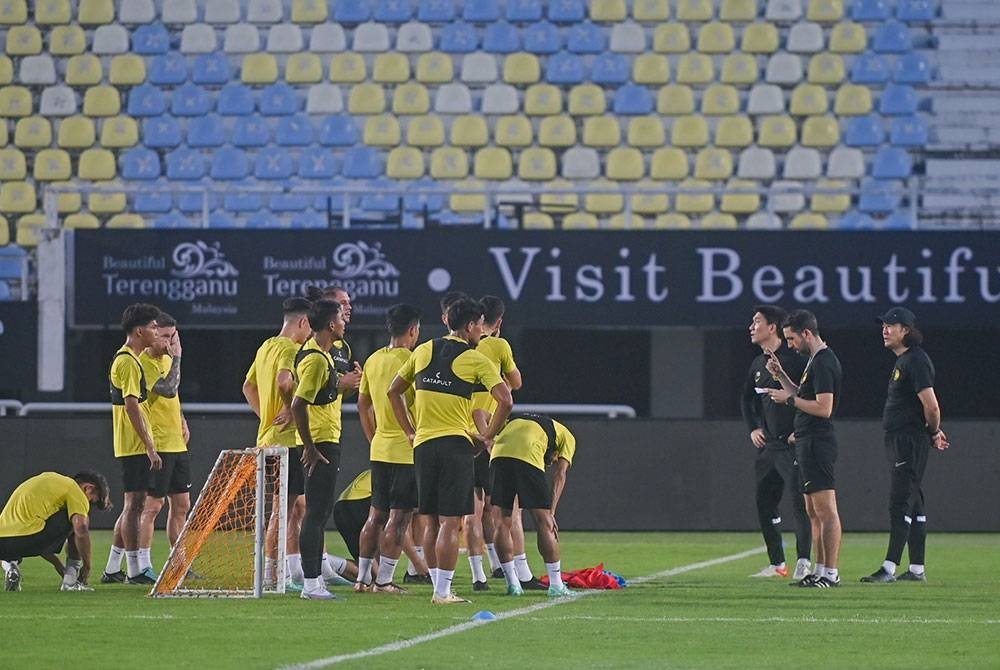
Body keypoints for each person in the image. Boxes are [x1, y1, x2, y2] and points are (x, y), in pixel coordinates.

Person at [388, 297, 513, 604]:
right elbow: (506, 399)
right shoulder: (475, 359)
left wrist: (408, 429)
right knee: (449, 522)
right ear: (470, 326)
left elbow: (394, 391)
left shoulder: (424, 349)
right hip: (455, 446)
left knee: (428, 521)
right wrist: (487, 435)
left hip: (423, 446)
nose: (481, 333)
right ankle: (443, 592)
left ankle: (437, 588)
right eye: (479, 327)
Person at [861, 307, 950, 584]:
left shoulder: (916, 361)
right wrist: (931, 432)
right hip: (905, 438)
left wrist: (933, 431)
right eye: (884, 325)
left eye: (892, 325)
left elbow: (932, 406)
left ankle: (888, 568)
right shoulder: (904, 361)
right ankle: (916, 569)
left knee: (900, 501)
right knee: (914, 503)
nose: (885, 330)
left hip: (908, 440)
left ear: (906, 331)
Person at [766, 309, 844, 588]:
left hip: (818, 443)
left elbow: (824, 408)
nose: (789, 345)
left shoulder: (824, 363)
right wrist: (781, 377)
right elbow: (801, 394)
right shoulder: (814, 361)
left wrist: (788, 401)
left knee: (826, 510)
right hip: (806, 441)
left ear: (807, 333)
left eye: (791, 339)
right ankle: (820, 570)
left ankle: (831, 574)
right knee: (812, 510)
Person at [243, 297, 312, 588]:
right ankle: (274, 575)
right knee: (282, 510)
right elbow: (285, 382)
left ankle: (277, 571)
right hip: (287, 443)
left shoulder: (266, 346)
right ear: (302, 322)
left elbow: (248, 386)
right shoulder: (290, 348)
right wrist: (290, 410)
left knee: (289, 507)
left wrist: (266, 417)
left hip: (269, 438)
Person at [355, 304, 423, 594]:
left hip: (380, 448)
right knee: (400, 517)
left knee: (376, 515)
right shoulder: (414, 359)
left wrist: (373, 437)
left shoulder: (373, 360)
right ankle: (383, 581)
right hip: (406, 450)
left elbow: (363, 404)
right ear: (413, 330)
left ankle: (361, 578)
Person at [740, 306, 811, 581]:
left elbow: (814, 396)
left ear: (773, 327)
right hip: (769, 447)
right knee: (764, 502)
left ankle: (804, 561)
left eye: (756, 321)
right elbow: (745, 398)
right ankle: (777, 564)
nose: (751, 326)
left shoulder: (794, 360)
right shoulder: (758, 364)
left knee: (799, 504)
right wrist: (753, 428)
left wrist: (801, 429)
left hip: (792, 446)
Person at [467, 296, 529, 591]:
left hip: (462, 431)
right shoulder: (498, 345)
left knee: (472, 509)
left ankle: (481, 572)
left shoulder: (461, 344)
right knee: (506, 507)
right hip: (490, 431)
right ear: (499, 322)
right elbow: (515, 383)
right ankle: (519, 571)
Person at [290, 298, 347, 600]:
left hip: (325, 439)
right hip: (320, 443)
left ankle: (314, 581)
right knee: (315, 513)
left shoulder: (321, 356)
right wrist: (310, 447)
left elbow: (321, 396)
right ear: (329, 324)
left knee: (318, 511)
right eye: (340, 318)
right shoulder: (314, 359)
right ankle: (311, 583)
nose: (344, 322)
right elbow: (298, 403)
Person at [103, 303, 162, 586]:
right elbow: (131, 407)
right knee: (134, 505)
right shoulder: (126, 361)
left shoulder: (132, 359)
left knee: (134, 505)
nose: (156, 331)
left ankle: (115, 567)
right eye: (152, 327)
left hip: (134, 443)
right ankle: (136, 569)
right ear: (139, 331)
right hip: (133, 444)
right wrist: (149, 445)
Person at [489, 413, 576, 598]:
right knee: (543, 522)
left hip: (499, 453)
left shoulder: (516, 419)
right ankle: (557, 585)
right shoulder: (567, 436)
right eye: (551, 460)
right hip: (527, 452)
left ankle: (513, 585)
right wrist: (551, 512)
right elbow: (560, 475)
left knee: (501, 521)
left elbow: (489, 420)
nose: (550, 463)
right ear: (557, 452)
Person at [137, 313, 190, 579]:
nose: (169, 343)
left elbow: (174, 395)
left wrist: (182, 419)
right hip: (158, 444)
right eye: (164, 336)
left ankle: (179, 563)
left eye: (173, 336)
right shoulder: (143, 363)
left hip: (177, 442)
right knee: (152, 507)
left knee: (181, 505)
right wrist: (178, 356)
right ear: (152, 334)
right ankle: (144, 565)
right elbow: (167, 389)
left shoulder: (168, 360)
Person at [1, 470, 112, 592]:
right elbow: (81, 530)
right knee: (78, 519)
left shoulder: (48, 480)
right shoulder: (73, 488)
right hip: (30, 538)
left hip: (4, 543)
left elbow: (29, 536)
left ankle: (11, 566)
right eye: (92, 502)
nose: (89, 506)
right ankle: (70, 582)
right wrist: (87, 568)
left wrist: (58, 566)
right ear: (88, 488)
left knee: (11, 548)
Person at [332, 469, 423, 582]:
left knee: (372, 575)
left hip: (342, 507)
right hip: (361, 504)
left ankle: (325, 564)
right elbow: (399, 524)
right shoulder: (407, 475)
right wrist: (419, 563)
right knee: (402, 518)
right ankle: (416, 571)